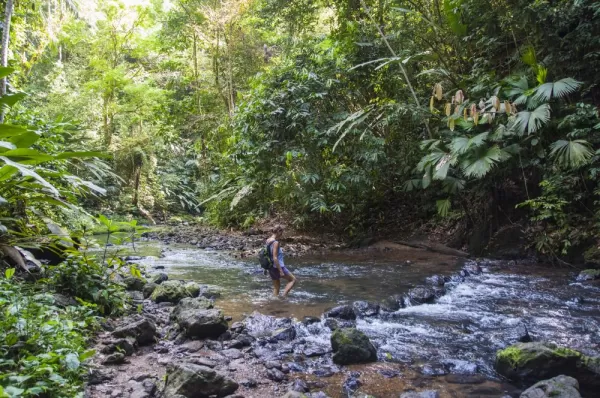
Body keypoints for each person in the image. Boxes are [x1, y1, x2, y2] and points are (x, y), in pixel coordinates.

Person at [266, 224, 296, 297]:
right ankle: (284, 296)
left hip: (270, 267)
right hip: (277, 266)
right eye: (281, 232)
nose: (281, 235)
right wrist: (280, 270)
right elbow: (275, 257)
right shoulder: (275, 242)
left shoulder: (268, 240)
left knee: (276, 287)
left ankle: (275, 301)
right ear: (279, 231)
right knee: (293, 280)